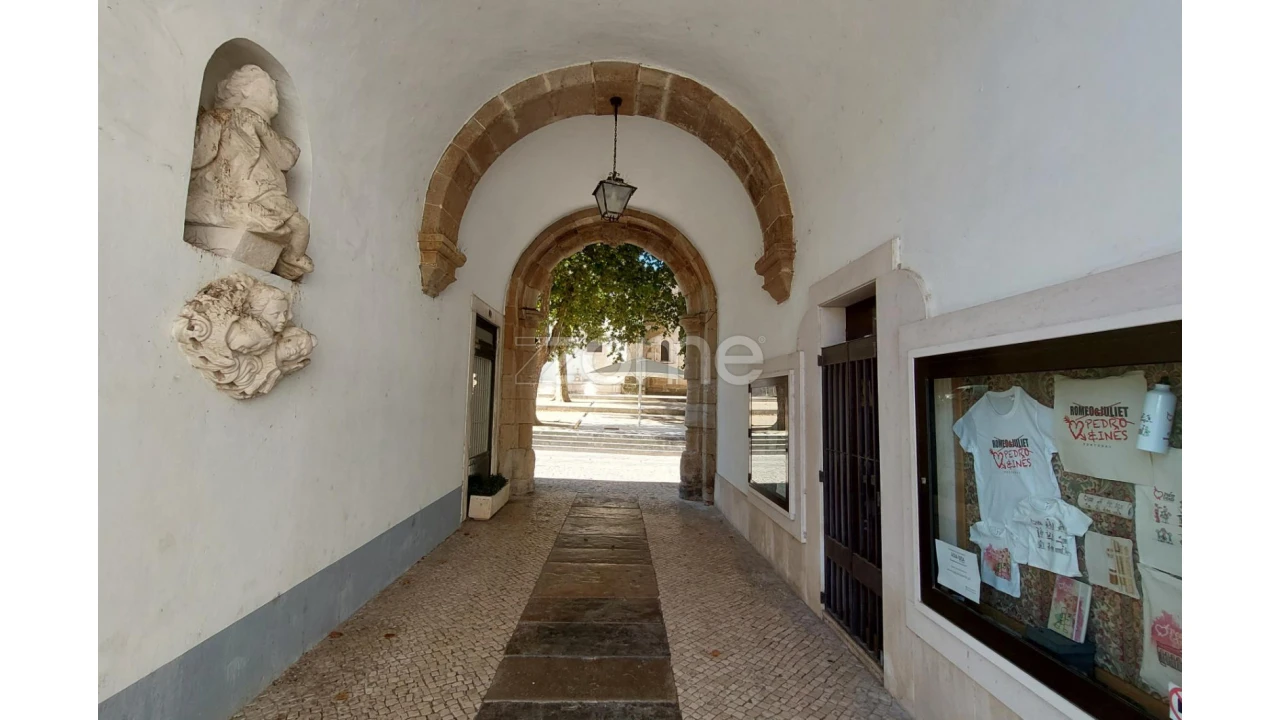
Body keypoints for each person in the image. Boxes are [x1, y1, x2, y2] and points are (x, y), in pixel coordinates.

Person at [187, 65, 314, 280]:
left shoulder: (261, 128)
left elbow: (286, 159)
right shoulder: (226, 118)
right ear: (246, 91)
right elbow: (201, 155)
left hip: (267, 194)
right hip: (243, 192)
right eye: (269, 91)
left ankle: (288, 260)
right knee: (294, 224)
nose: (276, 98)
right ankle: (289, 260)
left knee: (299, 226)